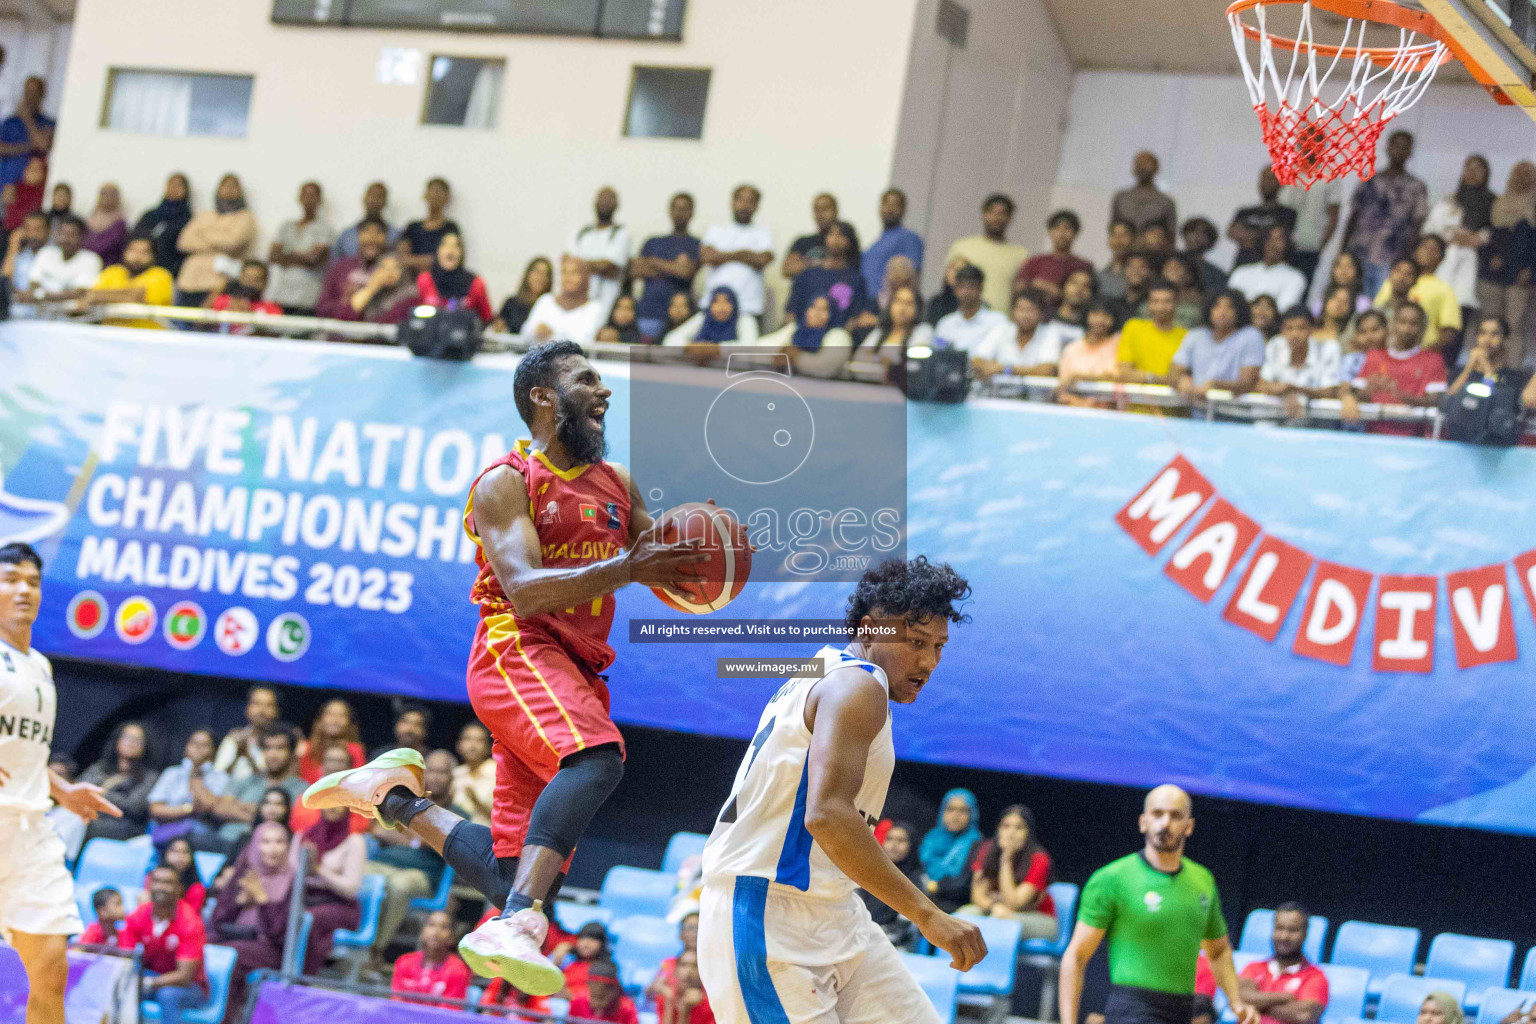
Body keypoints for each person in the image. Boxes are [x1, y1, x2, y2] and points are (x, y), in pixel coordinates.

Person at [303, 340, 706, 995]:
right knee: (598, 760)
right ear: (543, 397)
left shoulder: (617, 483)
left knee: (512, 866)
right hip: (515, 648)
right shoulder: (506, 482)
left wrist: (701, 566)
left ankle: (392, 796)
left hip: (577, 670)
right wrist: (632, 567)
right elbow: (523, 588)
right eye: (587, 380)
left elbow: (663, 564)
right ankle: (518, 922)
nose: (604, 392)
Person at [695, 558, 986, 1024]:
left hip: (834, 911)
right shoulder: (858, 685)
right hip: (768, 915)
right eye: (915, 642)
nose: (928, 661)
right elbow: (826, 814)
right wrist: (928, 915)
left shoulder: (828, 670)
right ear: (870, 629)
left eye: (938, 646)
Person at [0, 542, 123, 1024]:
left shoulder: (40, 667)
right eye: (10, 579)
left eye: (31, 580)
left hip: (29, 833)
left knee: (50, 970)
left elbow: (23, 752)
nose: (23, 589)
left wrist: (62, 790)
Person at [1061, 785, 1256, 1024]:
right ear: (1143, 822)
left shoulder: (1202, 881)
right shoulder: (1112, 878)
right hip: (1131, 1008)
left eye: (1175, 816)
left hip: (1183, 1009)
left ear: (1189, 826)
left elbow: (1218, 951)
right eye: (1157, 814)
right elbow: (1076, 956)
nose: (1165, 823)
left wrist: (1236, 1001)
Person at [364, 749, 465, 958]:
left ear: (452, 777)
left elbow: (443, 842)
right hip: (383, 865)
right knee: (358, 875)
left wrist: (405, 837)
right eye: (431, 771)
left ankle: (375, 950)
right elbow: (377, 830)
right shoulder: (402, 802)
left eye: (442, 772)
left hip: (422, 877)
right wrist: (419, 840)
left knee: (400, 885)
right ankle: (351, 945)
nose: (435, 777)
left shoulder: (457, 814)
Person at [210, 821, 296, 1019]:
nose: (273, 849)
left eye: (279, 842)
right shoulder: (245, 872)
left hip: (271, 950)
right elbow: (217, 921)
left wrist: (262, 899)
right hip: (234, 939)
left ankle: (225, 1019)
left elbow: (279, 933)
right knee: (202, 947)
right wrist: (239, 902)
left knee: (232, 955)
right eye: (265, 842)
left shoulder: (293, 880)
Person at [1342, 130, 1429, 296]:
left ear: (1410, 152)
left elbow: (1417, 225)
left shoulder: (1416, 187)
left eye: (1405, 147)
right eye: (1396, 146)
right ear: (1388, 148)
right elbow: (1353, 216)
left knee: (1379, 304)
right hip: (1359, 252)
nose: (1399, 150)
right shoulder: (1370, 180)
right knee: (1353, 300)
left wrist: (1406, 259)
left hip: (1392, 257)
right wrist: (1343, 250)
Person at [1340, 302, 1447, 436]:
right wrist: (1366, 391)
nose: (1406, 329)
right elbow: (1356, 393)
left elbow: (1435, 401)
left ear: (1423, 328)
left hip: (1414, 441)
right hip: (1373, 437)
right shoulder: (1374, 356)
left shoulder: (1433, 360)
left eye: (1413, 324)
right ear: (1393, 324)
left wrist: (1399, 394)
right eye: (1402, 322)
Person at [119, 865, 208, 1024]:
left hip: (189, 987)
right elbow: (125, 958)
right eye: (157, 881)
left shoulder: (190, 922)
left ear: (179, 889)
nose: (161, 887)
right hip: (150, 977)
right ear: (149, 885)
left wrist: (148, 983)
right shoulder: (138, 915)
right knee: (121, 986)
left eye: (167, 883)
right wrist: (136, 981)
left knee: (167, 994)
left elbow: (184, 976)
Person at [960, 804, 1056, 939]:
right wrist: (994, 906)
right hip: (996, 910)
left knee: (1001, 921)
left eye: (1019, 828)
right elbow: (978, 896)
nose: (1011, 833)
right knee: (962, 916)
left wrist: (1006, 859)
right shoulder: (986, 849)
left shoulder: (1039, 859)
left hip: (1038, 918)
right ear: (998, 829)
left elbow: (1014, 903)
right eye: (1006, 826)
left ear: (1028, 833)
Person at [1441, 315, 1536, 443]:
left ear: (1506, 340)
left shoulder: (1514, 377)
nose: (1487, 339)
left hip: (1496, 444)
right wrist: (1470, 367)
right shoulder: (1460, 372)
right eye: (1482, 333)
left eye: (1495, 334)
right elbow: (1447, 402)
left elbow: (1498, 400)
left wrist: (1487, 369)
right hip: (1459, 440)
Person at [1424, 155, 1493, 326]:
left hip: (1475, 268)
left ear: (1486, 174)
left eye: (1478, 169)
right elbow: (1429, 229)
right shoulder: (1451, 200)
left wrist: (1478, 238)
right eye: (1468, 168)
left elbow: (1495, 232)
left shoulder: (1493, 202)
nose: (1472, 173)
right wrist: (1451, 235)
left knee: (1460, 316)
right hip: (1445, 264)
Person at [1479, 161, 1536, 367]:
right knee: (1489, 323)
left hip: (1520, 275)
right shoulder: (1499, 202)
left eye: (1527, 173)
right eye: (1518, 173)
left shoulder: (1533, 204)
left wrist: (1531, 270)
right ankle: (1485, 368)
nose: (1522, 177)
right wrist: (1491, 256)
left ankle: (1511, 371)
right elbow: (1488, 236)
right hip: (1493, 273)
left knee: (1514, 325)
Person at [214, 724, 306, 847]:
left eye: (280, 748)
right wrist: (265, 814)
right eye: (267, 748)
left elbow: (290, 821)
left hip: (269, 850)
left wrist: (241, 807)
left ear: (292, 753)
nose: (273, 754)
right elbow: (220, 808)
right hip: (225, 842)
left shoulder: (301, 788)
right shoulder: (247, 780)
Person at [298, 804, 365, 973]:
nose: (332, 807)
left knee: (310, 918)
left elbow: (351, 889)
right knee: (282, 912)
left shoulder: (353, 841)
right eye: (328, 802)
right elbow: (292, 874)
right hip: (305, 898)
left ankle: (304, 974)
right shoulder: (304, 836)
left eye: (338, 804)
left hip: (340, 905)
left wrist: (319, 870)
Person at [1236, 903, 1329, 1024]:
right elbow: (1236, 1001)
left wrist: (1257, 1003)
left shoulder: (1315, 977)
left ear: (1305, 934)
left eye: (1292, 930)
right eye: (1279, 928)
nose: (1284, 936)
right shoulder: (1254, 968)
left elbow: (1304, 1015)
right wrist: (1283, 997)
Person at [314, 219, 416, 324]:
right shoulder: (341, 267)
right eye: (366, 232)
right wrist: (371, 287)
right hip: (337, 334)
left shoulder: (398, 276)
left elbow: (394, 319)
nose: (372, 238)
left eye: (379, 233)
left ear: (386, 238)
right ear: (358, 236)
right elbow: (324, 309)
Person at [176, 173, 257, 304]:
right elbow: (184, 241)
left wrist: (203, 233)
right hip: (189, 278)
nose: (229, 190)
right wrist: (220, 237)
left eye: (233, 186)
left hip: (218, 281)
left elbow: (232, 242)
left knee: (207, 322)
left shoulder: (245, 217)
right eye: (225, 186)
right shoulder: (204, 215)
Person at [1172, 290, 1267, 397]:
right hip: (1197, 409)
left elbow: (1247, 383)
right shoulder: (1196, 335)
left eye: (1230, 307)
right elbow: (1174, 372)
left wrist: (1215, 385)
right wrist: (1183, 379)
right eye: (1217, 306)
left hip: (1236, 410)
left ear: (1239, 311)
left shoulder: (1251, 336)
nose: (1222, 312)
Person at [1374, 236, 1462, 352]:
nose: (1427, 252)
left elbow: (1448, 331)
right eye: (1424, 246)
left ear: (1441, 258)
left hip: (1419, 353)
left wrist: (1423, 356)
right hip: (1383, 350)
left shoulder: (1444, 290)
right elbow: (1376, 312)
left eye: (1433, 249)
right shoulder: (1393, 280)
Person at [701, 184, 774, 321]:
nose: (745, 205)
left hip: (748, 308)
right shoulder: (716, 230)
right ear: (732, 202)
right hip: (713, 306)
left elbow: (762, 260)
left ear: (757, 206)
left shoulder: (763, 233)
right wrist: (745, 254)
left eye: (750, 201)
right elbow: (707, 257)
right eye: (741, 200)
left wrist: (722, 255)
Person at [148, 729, 230, 852]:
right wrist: (189, 809)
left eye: (204, 745)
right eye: (194, 743)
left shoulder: (221, 778)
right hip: (165, 827)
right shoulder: (172, 773)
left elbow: (206, 805)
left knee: (194, 829)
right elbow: (155, 809)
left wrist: (196, 774)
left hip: (200, 831)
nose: (198, 749)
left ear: (214, 750)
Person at [945, 193, 1029, 313]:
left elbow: (1020, 293)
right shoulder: (962, 247)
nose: (996, 217)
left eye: (1002, 213)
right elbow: (949, 283)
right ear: (983, 214)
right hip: (964, 319)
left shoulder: (1021, 254)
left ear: (1010, 218)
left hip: (1002, 322)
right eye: (992, 212)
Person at [634, 192, 700, 340]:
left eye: (684, 209)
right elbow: (635, 270)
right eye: (676, 208)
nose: (679, 213)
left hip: (678, 319)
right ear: (669, 210)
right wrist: (674, 266)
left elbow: (686, 272)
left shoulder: (695, 244)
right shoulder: (653, 241)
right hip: (648, 314)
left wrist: (654, 262)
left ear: (691, 213)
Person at [77, 721, 156, 843]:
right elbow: (79, 789)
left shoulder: (149, 777)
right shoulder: (99, 768)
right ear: (117, 740)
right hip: (89, 817)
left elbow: (134, 806)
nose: (131, 743)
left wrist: (101, 792)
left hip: (123, 827)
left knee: (82, 825)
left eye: (137, 740)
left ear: (145, 746)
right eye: (127, 737)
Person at [1258, 308, 1343, 418]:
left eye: (1301, 328)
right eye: (1289, 328)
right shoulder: (1275, 345)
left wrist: (1293, 389)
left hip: (1317, 421)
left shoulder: (1328, 348)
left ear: (1311, 329)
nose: (1295, 334)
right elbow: (1261, 384)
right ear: (1282, 330)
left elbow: (1330, 391)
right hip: (1277, 419)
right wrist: (1286, 392)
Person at [266, 180, 333, 315]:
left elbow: (315, 260)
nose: (308, 199)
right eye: (305, 195)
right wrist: (303, 256)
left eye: (313, 195)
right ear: (299, 198)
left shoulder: (325, 229)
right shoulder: (286, 226)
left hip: (308, 297)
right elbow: (273, 256)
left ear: (319, 200)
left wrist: (287, 256)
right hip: (281, 293)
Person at [786, 220, 868, 329]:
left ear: (849, 241)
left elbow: (855, 318)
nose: (835, 238)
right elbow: (791, 312)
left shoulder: (856, 279)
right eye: (831, 234)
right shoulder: (807, 274)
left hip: (836, 334)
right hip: (801, 331)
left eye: (841, 235)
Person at [84, 234, 175, 329]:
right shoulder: (113, 271)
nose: (137, 257)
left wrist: (98, 296)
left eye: (144, 252)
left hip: (147, 338)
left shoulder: (161, 275)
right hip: (110, 335)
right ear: (124, 252)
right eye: (133, 250)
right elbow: (92, 294)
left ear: (153, 256)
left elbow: (137, 297)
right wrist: (94, 296)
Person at [856, 821, 923, 948]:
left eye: (901, 840)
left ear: (912, 845)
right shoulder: (869, 873)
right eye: (889, 839)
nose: (894, 844)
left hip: (894, 946)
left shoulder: (916, 881)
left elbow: (906, 928)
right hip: (860, 938)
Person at [972, 288, 1066, 378]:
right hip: (998, 392)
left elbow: (1048, 370)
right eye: (1021, 309)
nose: (1025, 315)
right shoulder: (1002, 329)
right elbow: (976, 360)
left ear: (1041, 314)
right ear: (1012, 312)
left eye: (1031, 310)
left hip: (1035, 394)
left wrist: (1005, 369)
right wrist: (985, 366)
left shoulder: (1050, 332)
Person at [523, 254, 608, 349]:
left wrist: (552, 334)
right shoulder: (546, 301)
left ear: (585, 277)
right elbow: (524, 333)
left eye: (574, 273)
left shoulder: (594, 308)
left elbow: (584, 341)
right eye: (564, 272)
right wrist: (536, 331)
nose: (568, 278)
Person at [918, 788, 983, 914]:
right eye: (950, 809)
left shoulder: (977, 843)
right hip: (924, 898)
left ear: (972, 814)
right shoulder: (931, 838)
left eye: (962, 811)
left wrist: (936, 886)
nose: (955, 816)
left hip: (956, 904)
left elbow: (965, 884)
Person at [764, 292, 855, 379]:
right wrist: (781, 354)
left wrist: (797, 357)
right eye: (813, 307)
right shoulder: (796, 330)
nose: (817, 313)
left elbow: (824, 367)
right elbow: (759, 348)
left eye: (824, 309)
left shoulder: (839, 336)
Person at [569, 186, 630, 314]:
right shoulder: (580, 233)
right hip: (577, 301)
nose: (605, 202)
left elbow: (609, 267)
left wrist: (580, 266)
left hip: (607, 302)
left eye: (609, 199)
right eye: (602, 198)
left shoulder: (621, 233)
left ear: (616, 205)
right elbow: (568, 263)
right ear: (595, 202)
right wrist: (597, 266)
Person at [18, 215, 102, 308]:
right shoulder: (46, 252)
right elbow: (33, 283)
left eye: (72, 235)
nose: (65, 239)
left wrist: (40, 295)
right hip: (40, 312)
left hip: (71, 316)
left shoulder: (91, 259)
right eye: (63, 234)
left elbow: (80, 293)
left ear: (82, 237)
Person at [391, 910, 471, 1007]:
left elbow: (449, 1014)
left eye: (444, 927)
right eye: (431, 925)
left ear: (452, 938)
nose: (436, 931)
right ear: (422, 933)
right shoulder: (404, 962)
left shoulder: (458, 970)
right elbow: (395, 1003)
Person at [292, 744, 371, 837]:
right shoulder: (308, 793)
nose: (334, 766)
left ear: (350, 767)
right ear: (322, 765)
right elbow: (299, 823)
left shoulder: (360, 795)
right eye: (331, 760)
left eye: (340, 761)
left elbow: (363, 824)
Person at [1118, 280, 1189, 383]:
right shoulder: (1133, 327)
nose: (1161, 307)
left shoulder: (1186, 336)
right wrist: (1156, 378)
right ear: (1148, 303)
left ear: (1176, 303)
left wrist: (1145, 376)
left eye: (1167, 301)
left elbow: (1179, 378)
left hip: (1171, 399)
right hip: (1135, 397)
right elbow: (1124, 373)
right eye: (1155, 301)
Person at [415, 231, 493, 322]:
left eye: (456, 246)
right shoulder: (424, 280)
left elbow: (487, 319)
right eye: (445, 244)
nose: (450, 249)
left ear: (462, 253)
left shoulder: (476, 283)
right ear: (437, 251)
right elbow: (415, 316)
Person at [1017, 210, 1094, 302]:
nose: (1061, 234)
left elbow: (1087, 297)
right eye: (1057, 228)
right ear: (1050, 232)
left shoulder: (1083, 266)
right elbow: (1019, 290)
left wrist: (1057, 292)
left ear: (1075, 233)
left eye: (1067, 228)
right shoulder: (1034, 262)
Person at [1058, 300, 1125, 406]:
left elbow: (1118, 376)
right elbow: (1064, 384)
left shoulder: (1119, 345)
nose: (1099, 320)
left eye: (1106, 315)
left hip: (1107, 409)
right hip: (1072, 408)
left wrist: (1081, 377)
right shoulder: (1072, 349)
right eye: (1095, 314)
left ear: (1114, 319)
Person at [1280, 174, 1344, 285]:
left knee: (1302, 289)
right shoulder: (1288, 170)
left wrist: (1320, 246)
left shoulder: (1329, 176)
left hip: (1310, 249)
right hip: (1284, 247)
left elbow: (1334, 217)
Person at [1228, 167, 1298, 268]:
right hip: (1243, 266)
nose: (1266, 183)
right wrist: (1263, 234)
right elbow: (1232, 232)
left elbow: (1279, 237)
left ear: (1281, 183)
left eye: (1271, 179)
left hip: (1272, 268)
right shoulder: (1244, 212)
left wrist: (1250, 236)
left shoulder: (1287, 213)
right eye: (1263, 179)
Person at [863, 187, 924, 300]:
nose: (889, 209)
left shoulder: (909, 238)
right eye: (886, 204)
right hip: (867, 306)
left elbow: (911, 278)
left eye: (895, 205)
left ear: (903, 209)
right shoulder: (872, 247)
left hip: (891, 306)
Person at [1229, 225, 1308, 312]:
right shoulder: (1241, 272)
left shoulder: (1295, 277)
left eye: (1278, 239)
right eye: (1269, 238)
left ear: (1287, 244)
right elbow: (1230, 304)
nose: (1272, 244)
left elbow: (1283, 309)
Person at [662, 285, 759, 354]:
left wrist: (716, 349)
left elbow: (750, 347)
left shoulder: (745, 319)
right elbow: (670, 340)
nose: (721, 307)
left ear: (734, 304)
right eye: (716, 302)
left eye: (726, 302)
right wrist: (692, 347)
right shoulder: (703, 318)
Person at [934, 264, 1008, 352]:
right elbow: (938, 357)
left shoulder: (998, 322)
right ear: (955, 290)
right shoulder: (945, 325)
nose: (966, 292)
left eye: (971, 286)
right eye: (962, 287)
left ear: (981, 288)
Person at [215, 685, 282, 780]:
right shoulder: (234, 738)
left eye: (268, 705)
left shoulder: (281, 744)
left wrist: (249, 757)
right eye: (256, 703)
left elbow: (274, 780)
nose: (261, 710)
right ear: (247, 708)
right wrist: (238, 755)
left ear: (276, 711)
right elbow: (218, 775)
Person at [133, 173, 193, 277]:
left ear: (186, 190)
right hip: (142, 265)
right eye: (171, 184)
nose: (174, 188)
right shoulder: (151, 215)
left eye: (178, 185)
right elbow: (137, 236)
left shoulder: (187, 219)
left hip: (173, 269)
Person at [398, 177, 460, 274]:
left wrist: (414, 260)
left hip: (440, 280)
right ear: (425, 195)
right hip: (410, 281)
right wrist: (428, 260)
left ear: (447, 198)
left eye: (439, 192)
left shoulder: (450, 228)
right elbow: (402, 258)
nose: (435, 195)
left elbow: (450, 258)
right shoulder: (412, 226)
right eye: (432, 191)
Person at [0, 75, 53, 189]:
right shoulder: (10, 122)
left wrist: (27, 119)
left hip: (30, 188)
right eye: (27, 91)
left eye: (34, 92)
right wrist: (30, 146)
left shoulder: (48, 123)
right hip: (5, 184)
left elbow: (43, 145)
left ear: (41, 95)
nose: (30, 96)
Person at [646, 912, 702, 1014]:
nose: (694, 932)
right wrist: (658, 988)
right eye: (689, 927)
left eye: (698, 927)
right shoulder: (667, 964)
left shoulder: (711, 967)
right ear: (680, 934)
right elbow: (649, 994)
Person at [297, 699, 365, 782]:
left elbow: (358, 781)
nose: (335, 720)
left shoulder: (356, 751)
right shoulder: (305, 748)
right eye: (330, 714)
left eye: (342, 715)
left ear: (349, 722)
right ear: (320, 719)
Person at [205, 260, 284, 331]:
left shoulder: (273, 309)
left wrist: (249, 315)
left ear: (265, 282)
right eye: (247, 278)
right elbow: (201, 323)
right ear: (240, 278)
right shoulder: (224, 301)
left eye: (256, 280)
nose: (250, 284)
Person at [1113, 152, 1178, 235]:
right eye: (1139, 164)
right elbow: (1113, 230)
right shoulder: (1121, 198)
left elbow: (1171, 234)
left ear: (1156, 168)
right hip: (1127, 248)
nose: (1142, 168)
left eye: (1147, 164)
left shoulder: (1166, 202)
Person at [333, 181, 398, 259]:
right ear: (364, 199)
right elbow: (335, 263)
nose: (374, 200)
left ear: (385, 202)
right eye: (372, 195)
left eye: (379, 196)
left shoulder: (396, 236)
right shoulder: (347, 236)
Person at [493, 256, 554, 335]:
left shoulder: (550, 306)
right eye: (537, 272)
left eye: (545, 274)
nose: (540, 278)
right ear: (528, 274)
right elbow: (498, 328)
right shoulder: (511, 303)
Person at [452, 722, 496, 828]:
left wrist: (476, 801)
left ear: (488, 746)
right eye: (467, 739)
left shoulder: (498, 772)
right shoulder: (455, 773)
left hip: (488, 837)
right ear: (459, 745)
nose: (472, 745)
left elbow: (506, 818)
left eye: (479, 740)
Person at [149, 835, 208, 914]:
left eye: (185, 852)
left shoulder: (196, 889)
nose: (179, 856)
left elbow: (190, 918)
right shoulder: (153, 877)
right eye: (174, 851)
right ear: (166, 853)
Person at [571, 958, 640, 1023]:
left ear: (616, 990)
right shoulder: (579, 1001)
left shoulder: (627, 1009)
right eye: (594, 996)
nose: (597, 1004)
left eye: (601, 997)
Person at [560, 921, 613, 1002]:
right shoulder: (570, 963)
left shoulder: (604, 970)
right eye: (582, 939)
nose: (586, 944)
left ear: (602, 944)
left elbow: (596, 999)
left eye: (592, 940)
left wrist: (568, 995)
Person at [82, 183, 128, 265]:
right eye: (104, 194)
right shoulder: (90, 218)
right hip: (85, 263)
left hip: (108, 265)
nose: (107, 198)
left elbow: (105, 246)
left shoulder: (120, 224)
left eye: (111, 194)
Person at [373, 705, 432, 770]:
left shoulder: (431, 759)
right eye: (405, 722)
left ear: (425, 731)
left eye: (417, 724)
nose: (410, 729)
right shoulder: (381, 755)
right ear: (396, 725)